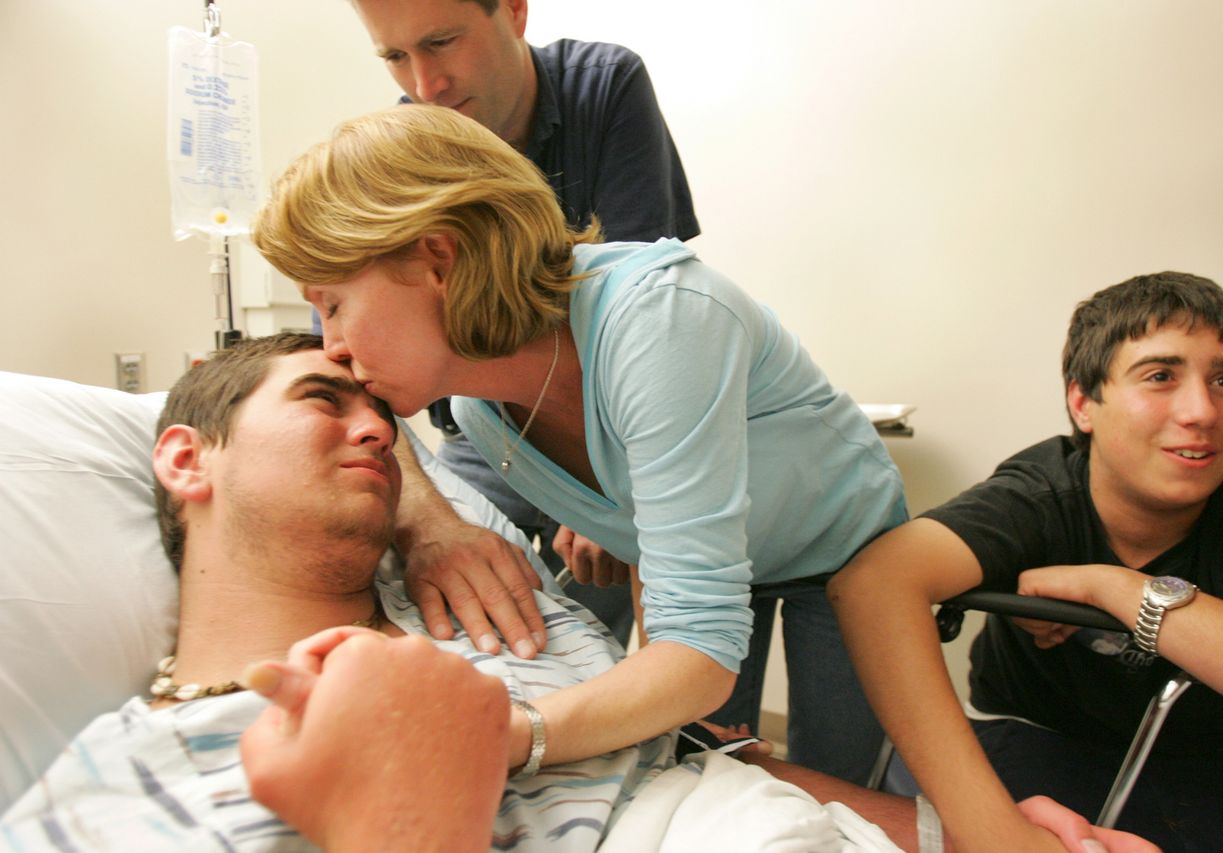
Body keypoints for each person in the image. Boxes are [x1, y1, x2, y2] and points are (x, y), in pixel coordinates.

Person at [0, 332, 1061, 853]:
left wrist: (963, 831)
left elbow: (682, 766)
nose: (375, 428)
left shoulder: (490, 608)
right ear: (186, 459)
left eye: (383, 412)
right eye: (325, 402)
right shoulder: (106, 796)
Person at [251, 103, 903, 784]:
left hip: (845, 553)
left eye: (332, 304)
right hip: (718, 570)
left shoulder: (662, 319)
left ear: (437, 259)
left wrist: (500, 734)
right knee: (716, 756)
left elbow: (700, 652)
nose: (333, 347)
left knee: (840, 779)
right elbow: (678, 607)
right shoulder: (481, 413)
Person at [829, 272, 1223, 851]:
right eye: (1161, 376)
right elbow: (872, 584)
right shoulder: (1038, 494)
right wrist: (995, 833)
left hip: (1217, 767)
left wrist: (1114, 588)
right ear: (1083, 402)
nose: (1202, 411)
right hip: (1033, 742)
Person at [341, 0, 700, 654]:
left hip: (604, 416)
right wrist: (425, 522)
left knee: (616, 629)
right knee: (443, 602)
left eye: (443, 42)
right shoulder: (396, 154)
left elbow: (649, 307)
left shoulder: (604, 87)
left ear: (513, 10)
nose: (425, 86)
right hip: (484, 431)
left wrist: (609, 484)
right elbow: (350, 375)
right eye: (394, 57)